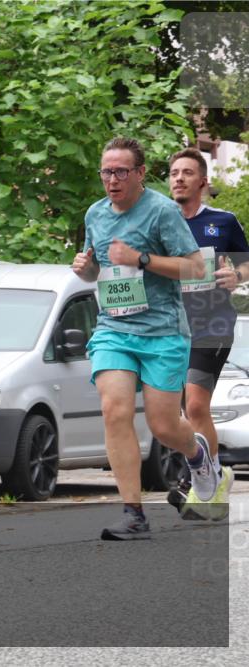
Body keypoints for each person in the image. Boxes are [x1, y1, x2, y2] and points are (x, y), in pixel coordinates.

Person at [71, 136, 222, 540]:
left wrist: (141, 258)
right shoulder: (95, 215)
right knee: (114, 409)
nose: (113, 179)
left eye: (122, 171)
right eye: (107, 171)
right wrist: (84, 267)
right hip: (114, 330)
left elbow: (195, 269)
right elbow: (95, 271)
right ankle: (133, 513)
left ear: (139, 174)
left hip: (162, 333)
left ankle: (199, 455)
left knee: (163, 426)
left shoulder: (161, 212)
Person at [168, 147, 243, 519]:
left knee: (196, 405)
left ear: (202, 181)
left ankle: (203, 486)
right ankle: (213, 474)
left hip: (213, 325)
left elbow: (247, 263)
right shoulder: (158, 222)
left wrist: (238, 275)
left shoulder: (222, 221)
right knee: (175, 411)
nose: (178, 178)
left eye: (186, 172)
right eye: (174, 173)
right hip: (168, 328)